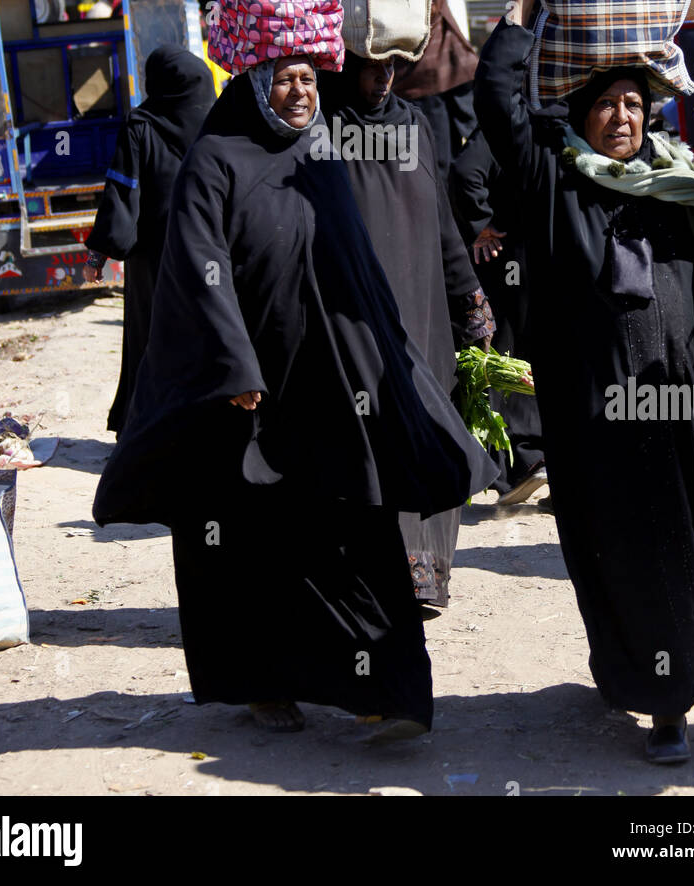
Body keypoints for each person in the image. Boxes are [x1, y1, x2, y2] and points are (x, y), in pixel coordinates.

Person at [93, 54, 497, 741]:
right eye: (285, 79)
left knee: (357, 532)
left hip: (328, 387)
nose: (301, 91)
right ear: (254, 88)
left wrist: (384, 355)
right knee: (253, 549)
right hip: (243, 403)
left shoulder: (321, 153)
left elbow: (356, 262)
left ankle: (393, 693)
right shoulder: (215, 161)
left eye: (311, 79)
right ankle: (264, 684)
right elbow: (197, 274)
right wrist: (234, 367)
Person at [474, 0, 694, 765]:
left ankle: (667, 692)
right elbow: (498, 106)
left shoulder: (676, 179)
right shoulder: (553, 180)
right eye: (606, 105)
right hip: (587, 408)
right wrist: (524, 8)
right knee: (601, 547)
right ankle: (641, 683)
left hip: (672, 400)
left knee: (677, 546)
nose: (622, 117)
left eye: (635, 104)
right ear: (583, 115)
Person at [320, 52, 495, 609]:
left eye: (392, 64)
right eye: (370, 66)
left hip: (422, 312)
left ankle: (429, 572)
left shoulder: (414, 124)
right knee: (375, 436)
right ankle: (385, 576)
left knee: (428, 422)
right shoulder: (324, 131)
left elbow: (442, 217)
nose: (384, 77)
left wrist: (469, 296)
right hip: (357, 316)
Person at [84, 45, 215, 433]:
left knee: (151, 339)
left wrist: (98, 256)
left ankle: (147, 429)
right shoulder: (218, 125)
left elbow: (122, 195)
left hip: (153, 260)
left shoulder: (140, 125)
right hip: (207, 253)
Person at [450, 128, 547, 505]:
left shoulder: (500, 130)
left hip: (509, 256)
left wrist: (481, 224)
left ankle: (522, 463)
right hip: (535, 256)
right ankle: (532, 459)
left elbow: (463, 172)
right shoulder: (546, 123)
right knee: (523, 352)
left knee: (506, 356)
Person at [392, 0, 478, 182]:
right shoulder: (395, 60)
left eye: (429, 2)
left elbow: (473, 127)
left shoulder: (453, 54)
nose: (425, 10)